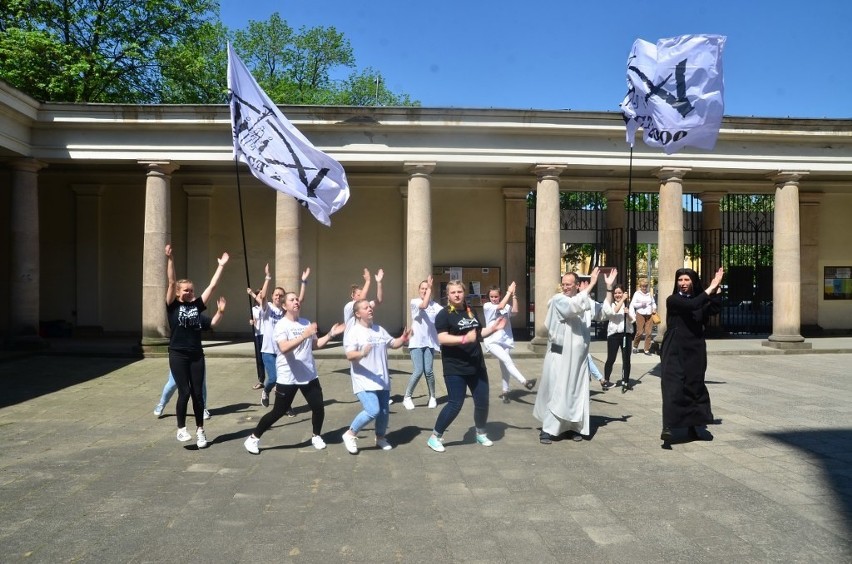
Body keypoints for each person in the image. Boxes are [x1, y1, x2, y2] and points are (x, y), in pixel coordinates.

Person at [243, 292, 344, 455]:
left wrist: (331, 334)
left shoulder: (306, 323)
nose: (296, 301)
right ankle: (253, 438)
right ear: (284, 306)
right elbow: (284, 348)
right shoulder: (281, 326)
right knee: (278, 412)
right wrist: (304, 335)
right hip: (288, 377)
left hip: (308, 375)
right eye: (292, 300)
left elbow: (315, 345)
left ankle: (316, 436)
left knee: (318, 407)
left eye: (297, 299)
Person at [534, 267, 618, 444]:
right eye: (563, 284)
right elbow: (572, 307)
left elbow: (605, 312)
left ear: (577, 285)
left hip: (579, 360)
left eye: (569, 284)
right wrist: (592, 285)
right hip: (560, 356)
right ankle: (547, 430)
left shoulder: (584, 301)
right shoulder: (558, 300)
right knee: (556, 392)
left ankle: (573, 428)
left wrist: (609, 288)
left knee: (575, 393)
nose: (565, 287)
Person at [425, 280, 505, 453]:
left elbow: (477, 334)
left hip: (477, 365)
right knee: (455, 403)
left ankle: (480, 433)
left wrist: (493, 328)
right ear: (448, 294)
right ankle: (435, 437)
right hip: (455, 367)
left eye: (459, 292)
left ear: (464, 293)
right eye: (453, 292)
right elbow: (442, 338)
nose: (456, 295)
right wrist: (463, 339)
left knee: (482, 401)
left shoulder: (471, 311)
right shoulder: (444, 314)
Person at [165, 243, 228, 449]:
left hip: (196, 355)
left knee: (198, 393)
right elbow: (171, 280)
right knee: (184, 391)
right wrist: (171, 259)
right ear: (177, 292)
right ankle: (181, 429)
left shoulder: (197, 306)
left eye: (191, 289)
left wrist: (221, 266)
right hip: (177, 354)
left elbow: (212, 286)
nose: (189, 292)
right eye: (186, 290)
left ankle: (201, 430)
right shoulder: (172, 306)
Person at [660, 267, 724, 443]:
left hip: (695, 348)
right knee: (673, 386)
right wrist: (710, 288)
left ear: (693, 282)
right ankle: (668, 426)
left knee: (694, 385)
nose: (683, 284)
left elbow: (713, 309)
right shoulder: (673, 300)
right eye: (680, 280)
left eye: (687, 280)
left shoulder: (700, 300)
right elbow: (691, 305)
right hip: (674, 348)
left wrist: (717, 289)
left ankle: (693, 426)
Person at [341, 299, 409, 454]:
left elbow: (393, 343)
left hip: (382, 379)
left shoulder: (379, 329)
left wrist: (403, 339)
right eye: (366, 308)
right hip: (363, 380)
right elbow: (350, 355)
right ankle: (350, 434)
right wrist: (362, 353)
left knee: (384, 413)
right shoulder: (353, 332)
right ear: (358, 314)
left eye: (370, 307)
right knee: (373, 410)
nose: (370, 309)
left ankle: (380, 437)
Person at [254, 264, 308, 408]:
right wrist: (267, 277)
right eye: (276, 294)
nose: (278, 296)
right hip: (268, 351)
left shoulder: (285, 311)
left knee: (285, 380)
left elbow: (300, 300)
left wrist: (303, 282)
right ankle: (266, 390)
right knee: (274, 378)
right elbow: (263, 296)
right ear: (272, 296)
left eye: (280, 295)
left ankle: (285, 406)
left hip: (283, 351)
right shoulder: (267, 308)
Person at [483, 281, 535, 404]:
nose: (494, 299)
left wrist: (514, 295)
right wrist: (509, 291)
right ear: (489, 297)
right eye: (492, 297)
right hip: (492, 340)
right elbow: (500, 306)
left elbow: (515, 311)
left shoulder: (506, 306)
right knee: (508, 361)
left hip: (505, 340)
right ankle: (525, 382)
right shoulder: (487, 306)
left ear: (499, 296)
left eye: (496, 296)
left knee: (505, 366)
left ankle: (505, 392)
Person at [402, 276, 442, 410]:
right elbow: (424, 305)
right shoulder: (414, 302)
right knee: (418, 371)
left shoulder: (435, 306)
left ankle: (432, 397)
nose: (425, 291)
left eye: (427, 288)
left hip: (430, 343)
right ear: (419, 290)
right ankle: (407, 397)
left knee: (429, 371)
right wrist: (430, 289)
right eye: (423, 289)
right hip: (416, 342)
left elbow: (446, 314)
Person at [602, 281, 635, 390]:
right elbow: (613, 312)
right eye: (616, 293)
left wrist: (628, 314)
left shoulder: (628, 304)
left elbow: (632, 319)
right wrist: (622, 300)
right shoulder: (611, 303)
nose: (617, 295)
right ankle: (606, 380)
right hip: (614, 335)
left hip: (626, 334)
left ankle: (626, 381)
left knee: (626, 359)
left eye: (620, 293)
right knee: (611, 358)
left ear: (623, 292)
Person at [630, 278, 657, 355]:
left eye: (645, 286)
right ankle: (635, 346)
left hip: (649, 314)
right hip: (640, 314)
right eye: (642, 286)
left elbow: (653, 303)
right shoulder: (637, 294)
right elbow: (633, 304)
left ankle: (646, 349)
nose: (644, 288)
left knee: (649, 332)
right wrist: (641, 304)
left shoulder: (650, 294)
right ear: (640, 286)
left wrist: (654, 308)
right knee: (640, 332)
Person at [247, 287, 264, 390]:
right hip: (257, 334)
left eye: (262, 294)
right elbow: (252, 319)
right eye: (259, 294)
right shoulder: (253, 309)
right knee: (259, 358)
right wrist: (251, 322)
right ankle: (261, 380)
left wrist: (251, 293)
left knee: (269, 358)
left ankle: (275, 381)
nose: (261, 296)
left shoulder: (266, 306)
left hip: (266, 335)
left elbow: (262, 303)